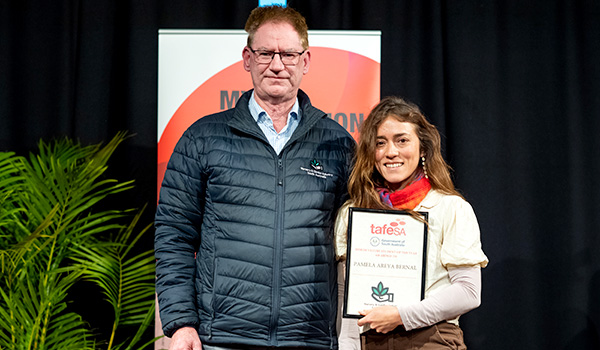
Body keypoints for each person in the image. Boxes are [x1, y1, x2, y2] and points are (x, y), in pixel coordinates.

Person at [154, 5, 355, 350]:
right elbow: (174, 235)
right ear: (247, 58)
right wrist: (181, 324)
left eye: (288, 54)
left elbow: (357, 240)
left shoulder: (337, 144)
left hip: (308, 339)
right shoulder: (203, 138)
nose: (277, 65)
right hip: (222, 339)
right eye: (265, 53)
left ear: (305, 61)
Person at [335, 97, 488, 349]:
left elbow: (468, 292)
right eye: (380, 143)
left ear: (423, 148)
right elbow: (345, 299)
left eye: (402, 140)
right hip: (368, 341)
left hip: (432, 339)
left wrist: (402, 315)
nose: (390, 152)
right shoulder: (352, 212)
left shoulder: (450, 208)